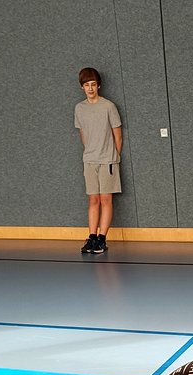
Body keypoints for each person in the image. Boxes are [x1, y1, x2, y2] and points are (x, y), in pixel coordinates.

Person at [75, 67, 123, 256]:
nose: (90, 88)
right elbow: (83, 134)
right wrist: (90, 152)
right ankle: (92, 237)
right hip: (89, 160)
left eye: (93, 84)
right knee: (93, 200)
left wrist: (113, 157)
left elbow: (118, 136)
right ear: (82, 87)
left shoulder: (108, 106)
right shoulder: (79, 108)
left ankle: (102, 238)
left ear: (99, 86)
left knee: (105, 199)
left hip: (107, 160)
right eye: (86, 85)